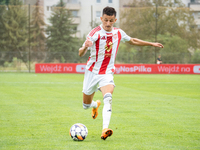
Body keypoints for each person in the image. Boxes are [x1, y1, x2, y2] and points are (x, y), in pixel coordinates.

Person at [78, 6, 164, 140]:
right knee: (85, 105)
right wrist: (85, 46)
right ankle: (95, 105)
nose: (107, 23)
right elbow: (80, 53)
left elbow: (133, 41)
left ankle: (104, 129)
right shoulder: (94, 33)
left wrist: (151, 44)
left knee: (108, 98)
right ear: (101, 18)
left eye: (111, 21)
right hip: (91, 72)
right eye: (105, 20)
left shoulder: (118, 33)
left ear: (115, 20)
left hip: (106, 73)